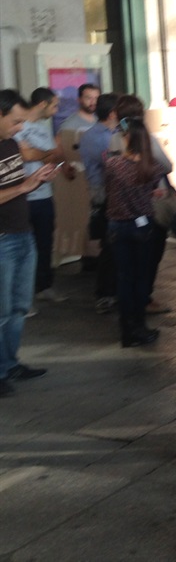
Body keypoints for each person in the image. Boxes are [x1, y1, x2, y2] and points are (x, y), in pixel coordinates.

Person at [0, 90, 57, 398]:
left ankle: (9, 364)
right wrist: (24, 186)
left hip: (22, 232)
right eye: (16, 121)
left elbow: (15, 186)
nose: (21, 127)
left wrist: (36, 181)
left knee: (19, 306)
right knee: (2, 310)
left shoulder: (10, 144)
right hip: (2, 239)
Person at [104, 117, 165, 347]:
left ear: (127, 138)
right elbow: (152, 189)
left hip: (116, 226)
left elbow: (109, 187)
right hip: (142, 226)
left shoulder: (113, 164)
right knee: (141, 278)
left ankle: (126, 330)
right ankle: (140, 326)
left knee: (123, 278)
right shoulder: (152, 167)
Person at [15, 87, 69, 303]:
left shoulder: (43, 129)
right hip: (22, 197)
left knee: (44, 244)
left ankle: (44, 286)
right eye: (54, 105)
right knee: (23, 247)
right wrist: (45, 154)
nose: (56, 110)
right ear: (42, 104)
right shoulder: (18, 127)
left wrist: (41, 154)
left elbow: (54, 156)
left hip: (44, 195)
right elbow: (26, 155)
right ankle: (23, 294)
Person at [79, 92, 120, 312]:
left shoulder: (107, 133)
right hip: (106, 194)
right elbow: (113, 166)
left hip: (109, 193)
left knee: (113, 244)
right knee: (110, 245)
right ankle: (106, 293)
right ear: (113, 113)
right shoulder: (99, 136)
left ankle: (111, 290)